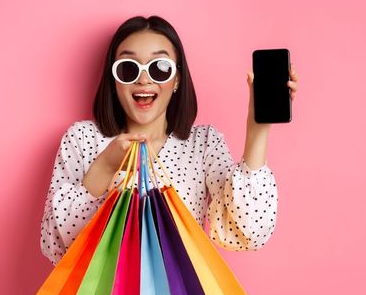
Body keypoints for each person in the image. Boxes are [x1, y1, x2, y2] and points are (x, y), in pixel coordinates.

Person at [40, 15, 299, 265]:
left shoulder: (203, 144)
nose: (144, 79)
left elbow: (249, 232)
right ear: (114, 80)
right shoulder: (83, 139)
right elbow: (56, 246)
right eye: (128, 68)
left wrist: (258, 128)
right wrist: (106, 167)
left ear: (177, 79)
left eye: (159, 68)